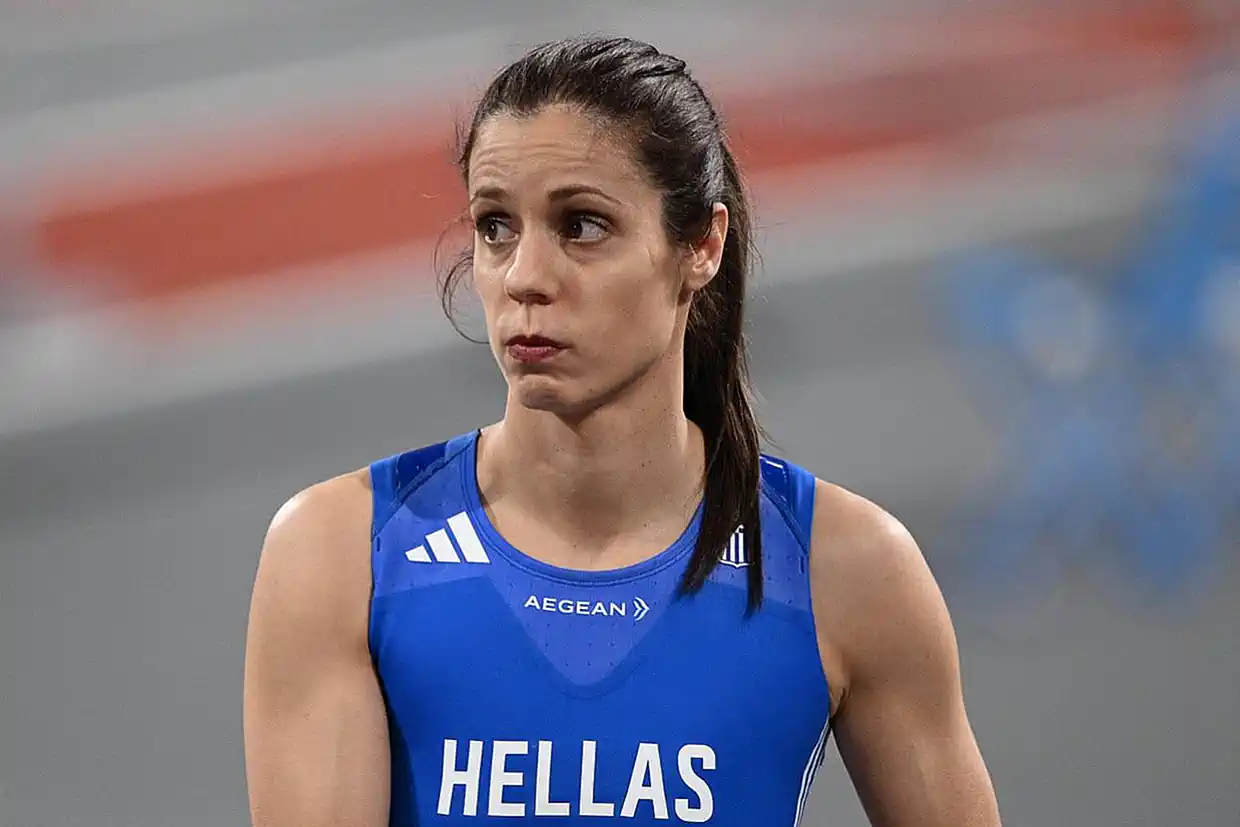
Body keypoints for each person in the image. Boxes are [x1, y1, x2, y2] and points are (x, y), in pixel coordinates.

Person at [242, 35, 1002, 827]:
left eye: (582, 225)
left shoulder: (844, 568)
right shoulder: (343, 554)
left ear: (701, 245)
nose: (525, 276)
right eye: (496, 226)